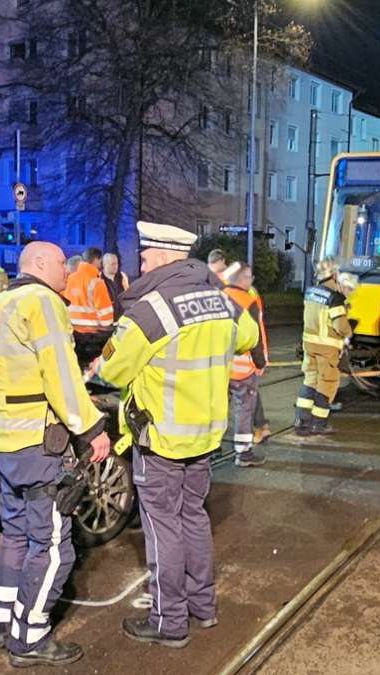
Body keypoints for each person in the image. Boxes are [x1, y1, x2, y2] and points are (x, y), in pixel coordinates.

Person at [95, 221, 257, 649]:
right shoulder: (220, 301)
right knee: (194, 519)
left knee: (162, 528)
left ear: (166, 258)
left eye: (147, 257)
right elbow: (250, 337)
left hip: (162, 440)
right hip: (204, 438)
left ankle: (169, 622)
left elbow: (112, 370)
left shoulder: (152, 309)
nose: (141, 263)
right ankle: (202, 607)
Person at [0, 241, 111, 667]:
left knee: (14, 534)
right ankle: (29, 639)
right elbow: (61, 377)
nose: (66, 275)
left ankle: (2, 623)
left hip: (2, 440)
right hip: (37, 443)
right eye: (59, 266)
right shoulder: (43, 302)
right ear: (37, 264)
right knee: (53, 546)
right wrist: (91, 429)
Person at [295, 259, 352, 436]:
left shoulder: (310, 292)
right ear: (334, 275)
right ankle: (318, 424)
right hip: (327, 347)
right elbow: (340, 327)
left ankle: (301, 422)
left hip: (309, 344)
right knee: (326, 384)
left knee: (310, 380)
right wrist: (349, 330)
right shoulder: (335, 297)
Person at [223, 262, 268, 467]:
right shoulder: (248, 302)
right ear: (241, 279)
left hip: (220, 367)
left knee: (218, 408)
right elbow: (256, 337)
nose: (251, 280)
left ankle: (210, 448)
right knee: (243, 410)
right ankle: (243, 453)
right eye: (249, 277)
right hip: (242, 369)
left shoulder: (218, 297)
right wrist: (261, 362)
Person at [63, 247, 115, 333]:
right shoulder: (97, 282)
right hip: (92, 334)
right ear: (96, 260)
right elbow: (106, 316)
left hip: (71, 331)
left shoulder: (69, 279)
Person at [101, 252, 130, 319]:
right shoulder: (99, 279)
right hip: (106, 319)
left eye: (116, 263)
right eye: (112, 264)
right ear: (105, 264)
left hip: (122, 316)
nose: (115, 266)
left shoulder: (122, 276)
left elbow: (128, 294)